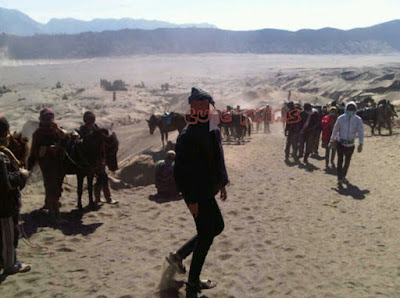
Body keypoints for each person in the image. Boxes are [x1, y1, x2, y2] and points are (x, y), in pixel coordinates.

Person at [166, 87, 229, 298]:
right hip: (196, 193)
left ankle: (179, 255)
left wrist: (222, 183)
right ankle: (192, 283)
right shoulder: (188, 134)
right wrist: (190, 200)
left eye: (207, 106)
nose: (206, 110)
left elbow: (218, 155)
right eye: (201, 107)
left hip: (207, 189)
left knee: (217, 227)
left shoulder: (210, 127)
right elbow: (180, 172)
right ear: (193, 109)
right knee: (206, 236)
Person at [0, 115, 31, 274]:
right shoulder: (1, 156)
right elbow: (7, 182)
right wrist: (22, 174)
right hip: (4, 204)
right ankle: (10, 265)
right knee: (8, 235)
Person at [27, 108, 67, 221]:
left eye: (50, 117)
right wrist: (48, 149)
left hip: (58, 161)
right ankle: (54, 214)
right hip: (47, 163)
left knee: (58, 183)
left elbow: (65, 138)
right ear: (42, 119)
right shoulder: (38, 133)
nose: (49, 120)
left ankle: (51, 204)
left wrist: (59, 131)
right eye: (46, 118)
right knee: (51, 185)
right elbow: (35, 149)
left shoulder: (56, 129)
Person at [78, 111, 118, 205]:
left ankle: (105, 197)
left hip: (99, 157)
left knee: (103, 177)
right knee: (101, 177)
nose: (91, 121)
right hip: (88, 158)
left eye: (92, 119)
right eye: (89, 119)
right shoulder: (82, 129)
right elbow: (84, 142)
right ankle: (100, 198)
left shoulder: (96, 128)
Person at [329, 102, 364, 185]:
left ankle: (343, 176)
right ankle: (339, 178)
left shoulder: (358, 120)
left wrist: (361, 143)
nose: (350, 111)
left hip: (351, 144)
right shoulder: (341, 118)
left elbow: (361, 132)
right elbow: (335, 130)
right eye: (349, 109)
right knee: (340, 161)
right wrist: (332, 140)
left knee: (347, 162)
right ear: (346, 109)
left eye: (352, 110)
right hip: (340, 143)